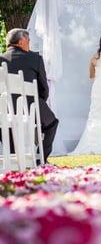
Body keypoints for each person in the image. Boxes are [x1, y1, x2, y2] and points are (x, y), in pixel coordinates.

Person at [0, 28, 58, 163]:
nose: (29, 44)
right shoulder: (35, 58)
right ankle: (40, 159)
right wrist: (40, 102)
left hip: (5, 108)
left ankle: (14, 158)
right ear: (21, 42)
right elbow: (44, 88)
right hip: (31, 106)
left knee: (5, 123)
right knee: (52, 123)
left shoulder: (1, 59)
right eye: (28, 41)